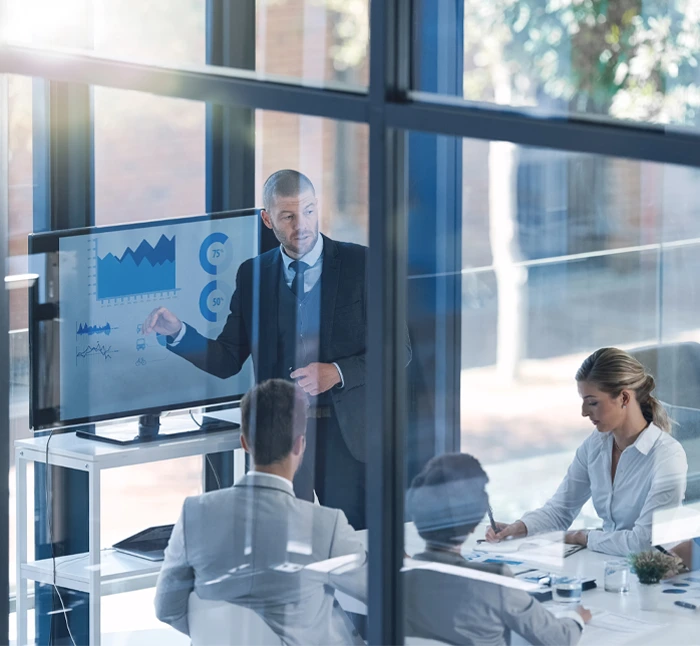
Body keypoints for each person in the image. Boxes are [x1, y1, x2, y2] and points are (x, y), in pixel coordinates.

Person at [144, 169, 410, 530]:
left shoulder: (362, 265)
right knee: (286, 546)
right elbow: (227, 358)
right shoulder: (253, 275)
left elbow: (399, 351)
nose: (301, 224)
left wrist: (337, 372)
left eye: (309, 211)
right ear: (267, 219)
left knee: (354, 551)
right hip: (281, 440)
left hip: (349, 441)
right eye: (288, 216)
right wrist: (178, 333)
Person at [154, 379, 366, 645]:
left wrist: (220, 635)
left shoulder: (194, 514)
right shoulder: (325, 526)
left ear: (244, 442)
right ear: (300, 445)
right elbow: (383, 593)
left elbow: (167, 609)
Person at [486, 347, 688, 556]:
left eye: (592, 402)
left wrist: (582, 537)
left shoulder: (667, 456)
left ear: (624, 398)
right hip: (606, 563)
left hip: (651, 574)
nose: (584, 412)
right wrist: (520, 528)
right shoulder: (596, 445)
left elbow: (643, 543)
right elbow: (560, 511)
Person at [405, 453, 590, 646]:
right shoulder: (494, 581)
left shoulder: (393, 581)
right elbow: (560, 639)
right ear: (474, 523)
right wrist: (575, 617)